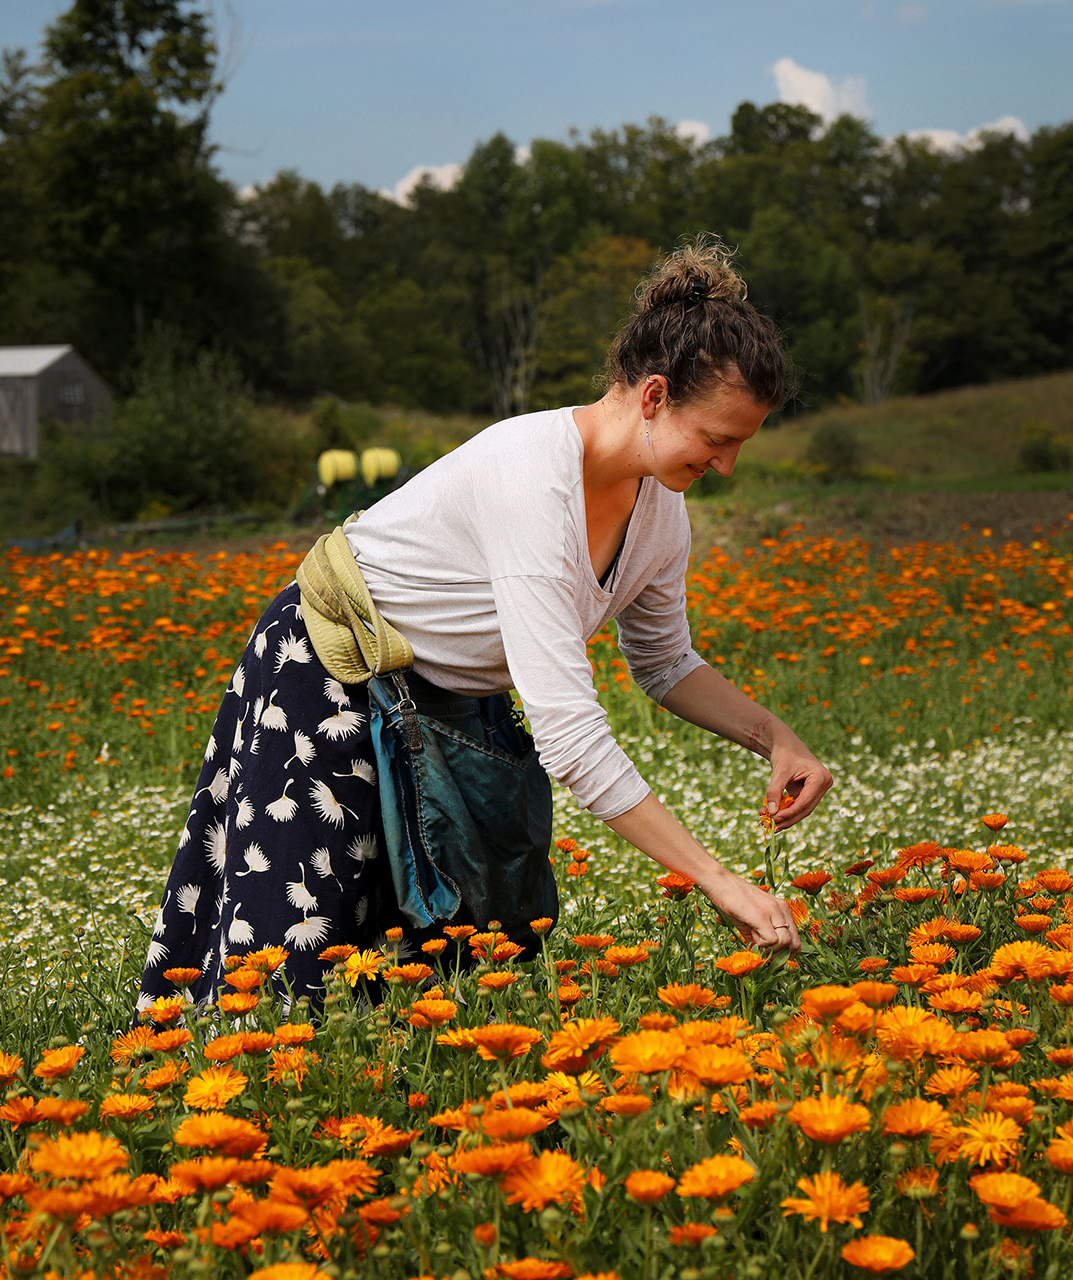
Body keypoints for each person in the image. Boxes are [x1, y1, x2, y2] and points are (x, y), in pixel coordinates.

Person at [137, 240, 832, 1015]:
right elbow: (570, 736)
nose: (727, 465)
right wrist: (719, 881)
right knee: (299, 958)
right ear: (654, 395)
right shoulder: (533, 480)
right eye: (717, 438)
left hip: (443, 707)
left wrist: (776, 739)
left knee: (445, 958)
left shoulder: (662, 513)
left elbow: (665, 662)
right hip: (328, 670)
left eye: (740, 444)